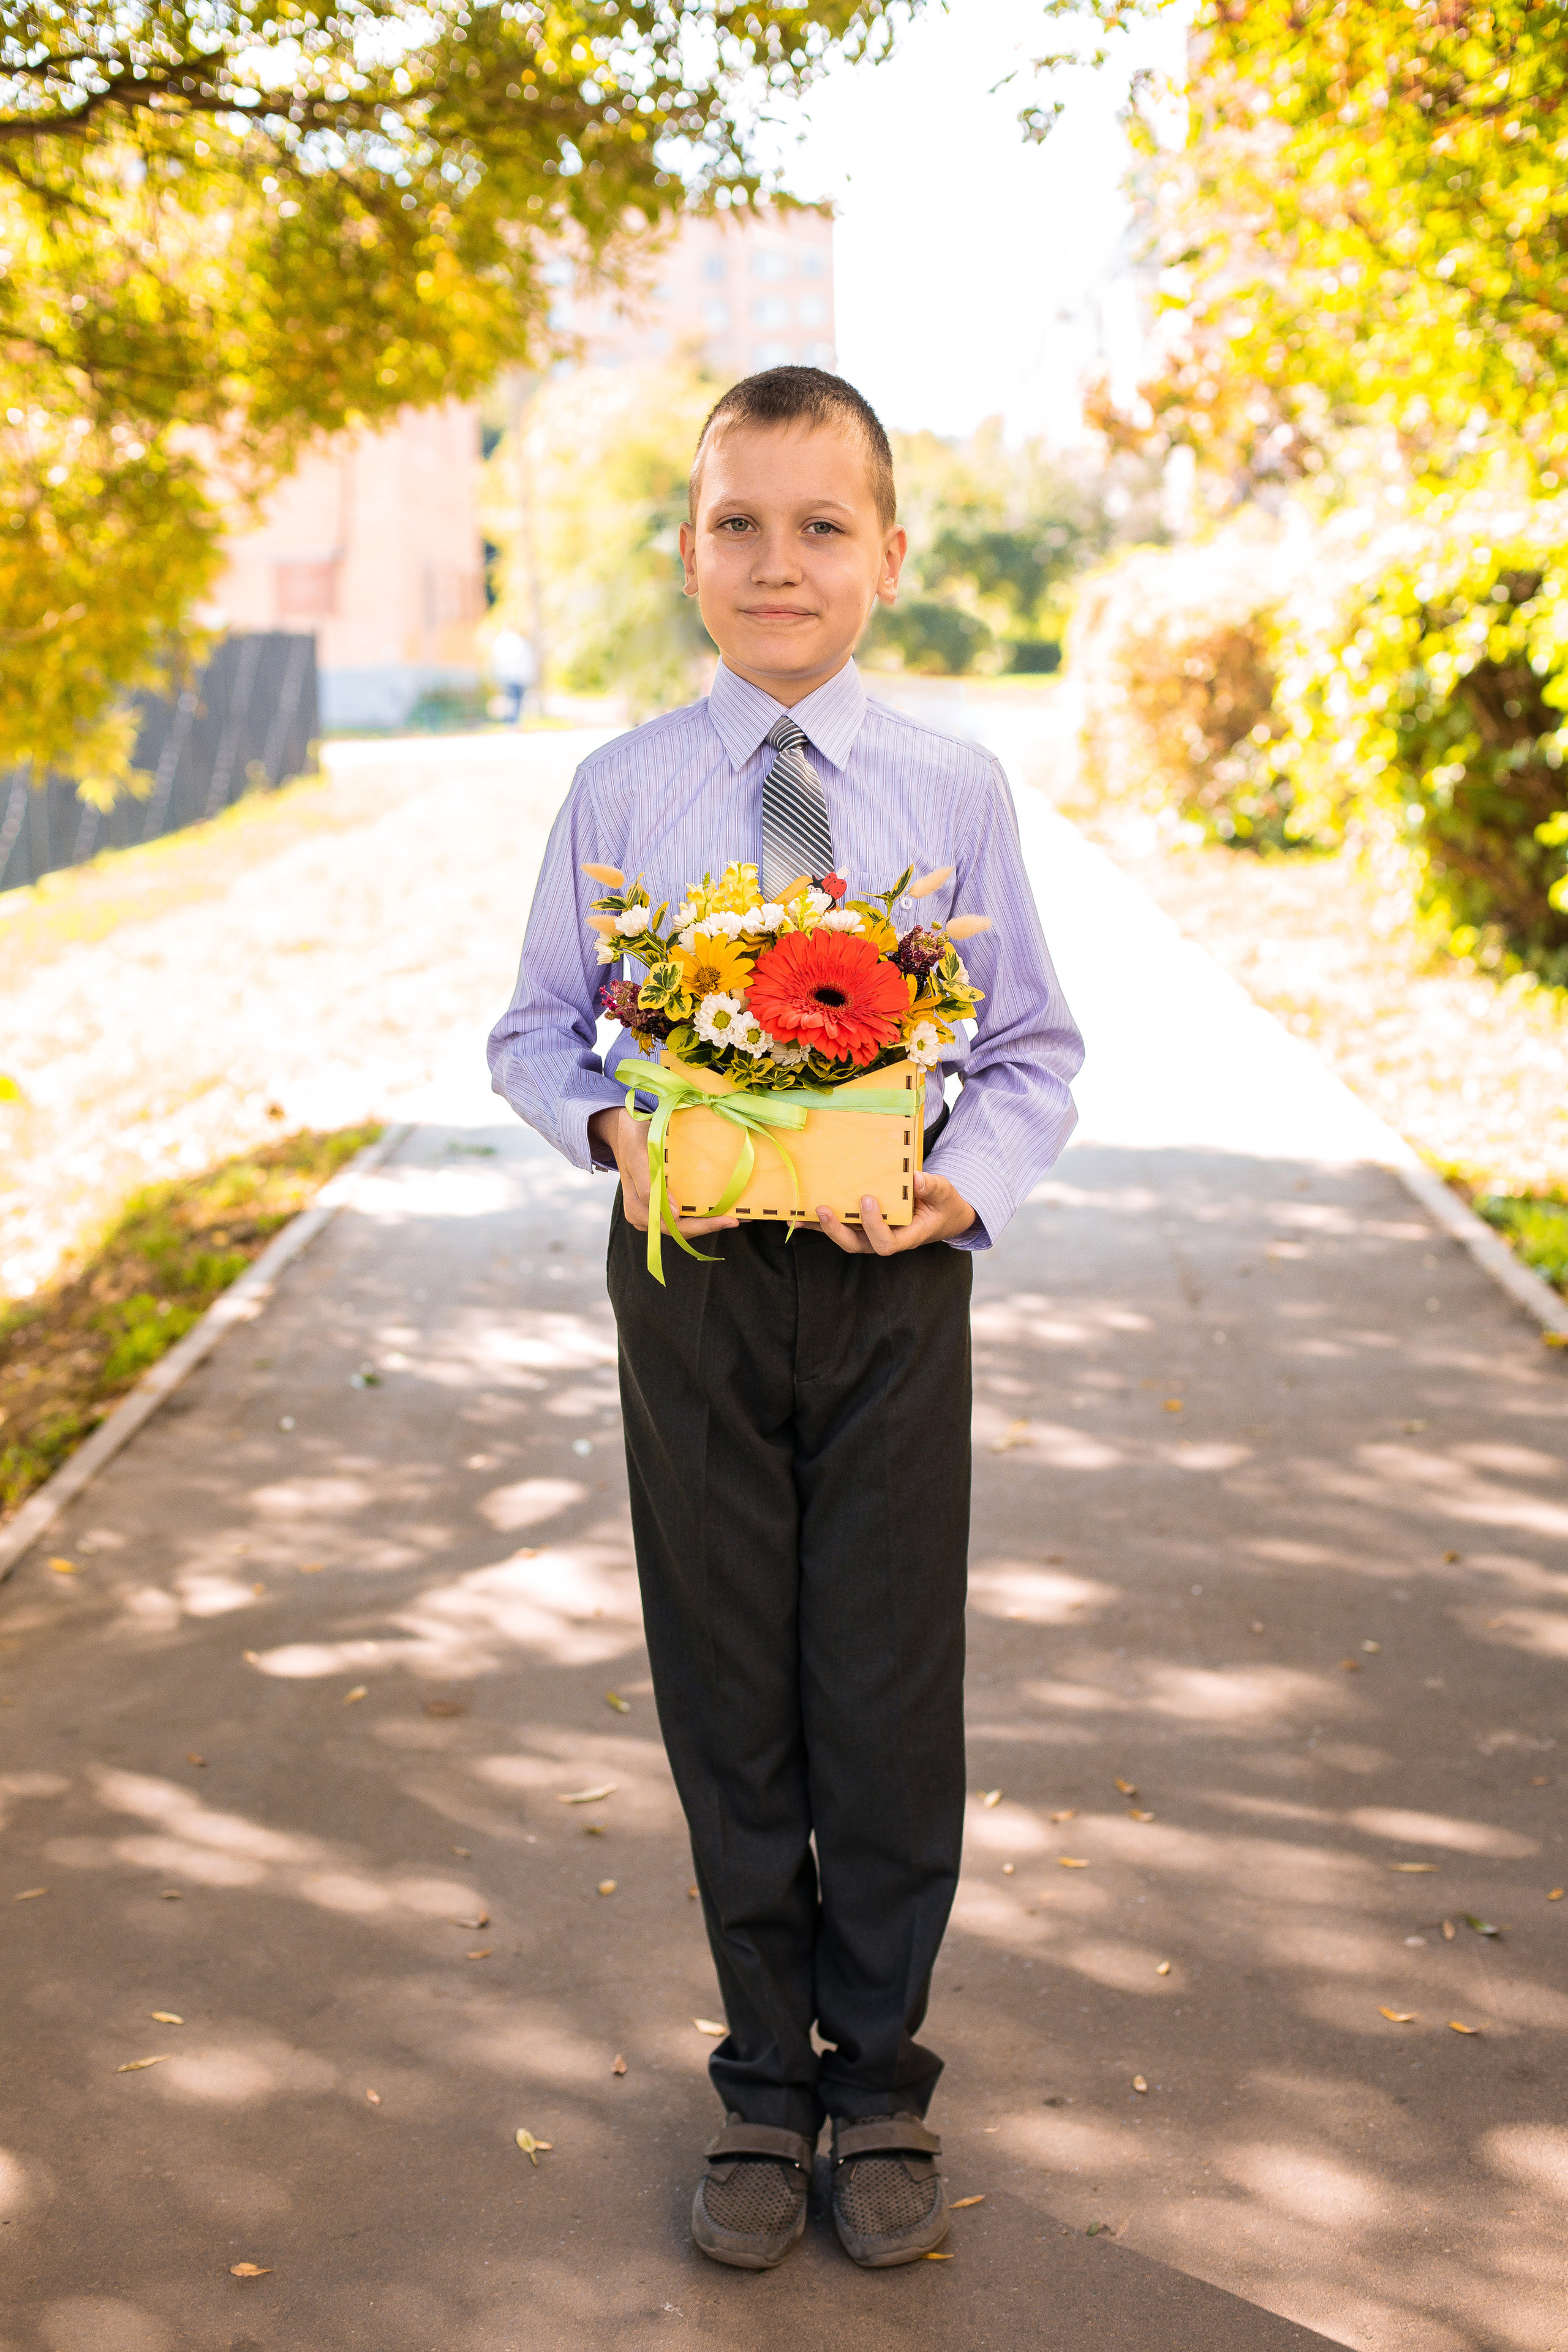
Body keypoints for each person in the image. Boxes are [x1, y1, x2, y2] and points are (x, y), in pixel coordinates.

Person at [488, 368, 1083, 2271]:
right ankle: (761, 2075)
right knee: (726, 1675)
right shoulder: (618, 794)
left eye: (821, 525)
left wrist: (960, 1184)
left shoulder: (953, 793)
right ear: (687, 552)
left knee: (886, 1682)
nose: (777, 561)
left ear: (889, 555)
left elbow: (1028, 1049)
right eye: (737, 522)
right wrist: (610, 1123)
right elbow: (531, 1030)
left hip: (893, 1277)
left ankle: (881, 2068)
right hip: (691, 1286)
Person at [488, 626, 536, 723]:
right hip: (517, 676)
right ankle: (513, 722)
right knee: (516, 699)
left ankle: (511, 721)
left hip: (507, 675)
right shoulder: (519, 641)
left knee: (511, 699)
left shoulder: (501, 641)